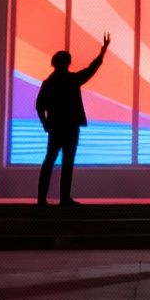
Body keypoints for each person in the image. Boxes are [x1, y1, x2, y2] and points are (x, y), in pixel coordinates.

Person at [35, 32, 110, 207]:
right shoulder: (72, 80)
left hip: (55, 127)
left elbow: (39, 106)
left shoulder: (49, 83)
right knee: (66, 162)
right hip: (69, 127)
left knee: (50, 160)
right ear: (67, 63)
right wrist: (103, 51)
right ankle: (64, 198)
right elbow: (92, 68)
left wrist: (45, 123)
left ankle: (42, 199)